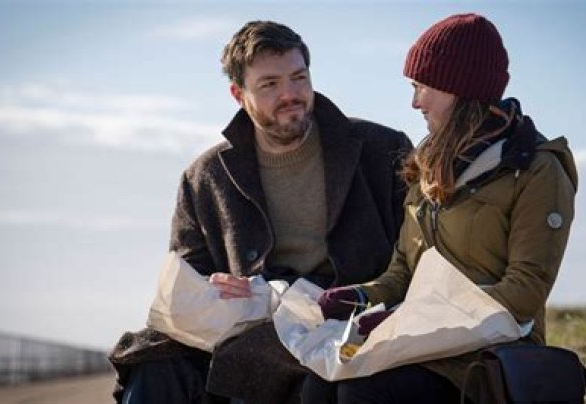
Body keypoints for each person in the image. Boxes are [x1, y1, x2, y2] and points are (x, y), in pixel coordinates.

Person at [107, 20, 412, 404]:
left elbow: (416, 257)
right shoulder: (205, 177)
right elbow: (190, 282)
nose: (290, 94)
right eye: (269, 84)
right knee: (153, 366)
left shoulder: (382, 149)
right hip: (249, 322)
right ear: (239, 94)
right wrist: (216, 287)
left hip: (350, 319)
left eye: (299, 78)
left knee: (256, 367)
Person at [310, 13, 578, 403]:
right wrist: (358, 298)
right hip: (416, 346)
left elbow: (524, 292)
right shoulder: (428, 166)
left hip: (491, 358)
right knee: (317, 383)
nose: (414, 101)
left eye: (422, 86)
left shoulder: (537, 170)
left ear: (458, 87)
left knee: (362, 392)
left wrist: (411, 321)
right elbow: (402, 274)